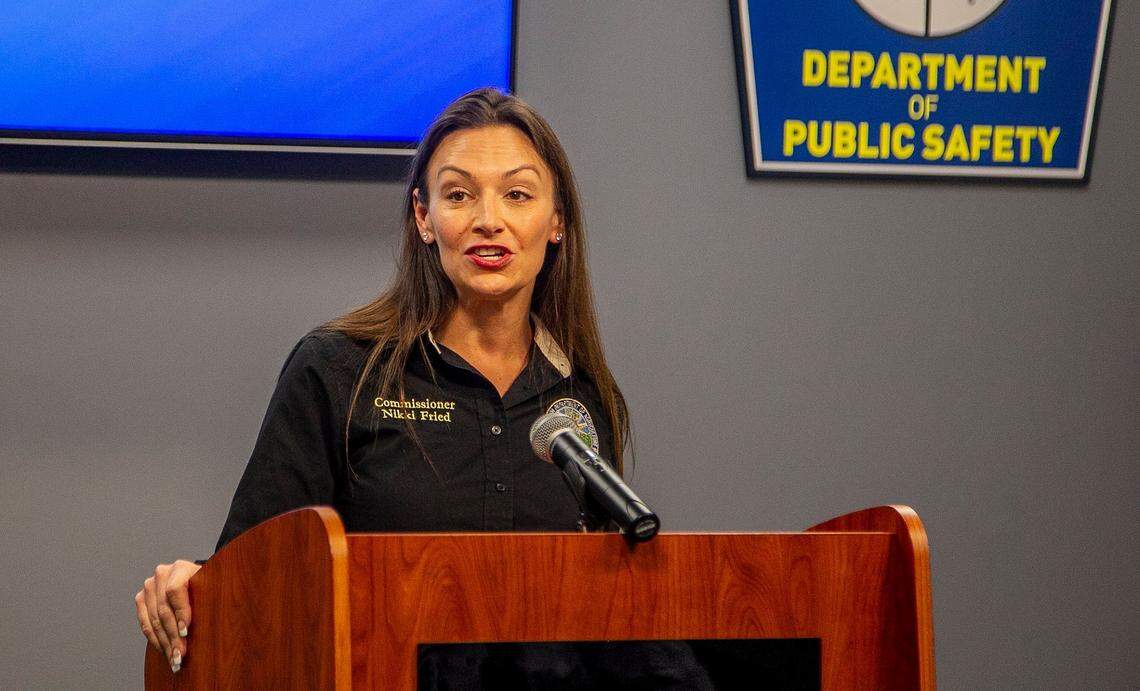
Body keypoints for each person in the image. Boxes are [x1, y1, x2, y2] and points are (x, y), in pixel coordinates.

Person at [132, 88, 632, 674]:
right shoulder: (339, 367)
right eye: (458, 195)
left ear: (556, 222)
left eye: (517, 195)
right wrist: (197, 583)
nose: (488, 220)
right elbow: (256, 577)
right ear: (425, 218)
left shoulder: (579, 400)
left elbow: (608, 611)